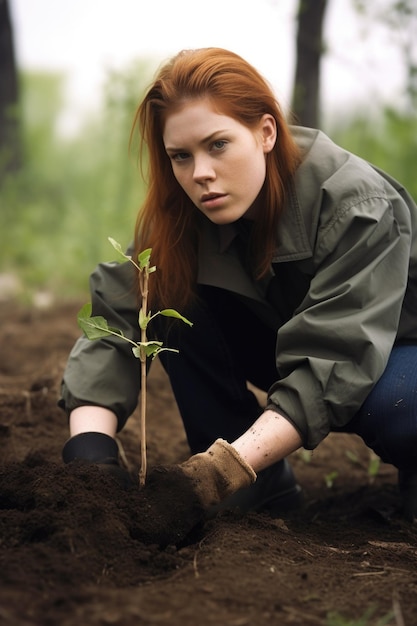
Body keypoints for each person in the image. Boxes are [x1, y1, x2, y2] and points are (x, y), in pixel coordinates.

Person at [60, 47, 417, 538]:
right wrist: (90, 456)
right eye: (180, 156)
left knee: (401, 407)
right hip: (307, 349)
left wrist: (209, 478)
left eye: (218, 145)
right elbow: (120, 319)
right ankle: (257, 481)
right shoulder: (182, 212)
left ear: (265, 133)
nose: (199, 173)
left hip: (389, 354)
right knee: (168, 293)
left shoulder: (355, 202)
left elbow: (337, 354)